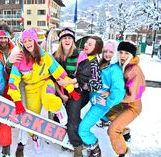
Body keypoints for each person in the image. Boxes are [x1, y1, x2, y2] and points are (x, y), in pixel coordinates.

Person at [7, 28, 80, 157]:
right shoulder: (19, 59)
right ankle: (35, 138)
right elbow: (13, 82)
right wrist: (17, 101)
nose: (28, 43)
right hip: (31, 89)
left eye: (30, 40)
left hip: (46, 83)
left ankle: (59, 109)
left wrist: (71, 89)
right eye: (25, 41)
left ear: (35, 41)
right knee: (30, 118)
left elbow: (58, 73)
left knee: (49, 100)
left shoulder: (45, 56)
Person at [78, 40, 126, 157]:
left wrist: (107, 101)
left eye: (111, 52)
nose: (107, 54)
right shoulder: (102, 64)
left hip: (101, 105)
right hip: (95, 102)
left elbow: (119, 92)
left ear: (115, 53)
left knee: (83, 130)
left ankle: (95, 149)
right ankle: (112, 123)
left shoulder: (115, 69)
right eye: (105, 51)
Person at [53, 28, 92, 157]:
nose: (67, 40)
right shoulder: (55, 56)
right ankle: (63, 139)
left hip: (76, 91)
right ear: (60, 41)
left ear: (73, 41)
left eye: (69, 38)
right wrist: (61, 94)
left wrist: (67, 84)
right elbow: (52, 78)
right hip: (60, 91)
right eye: (64, 38)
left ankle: (77, 147)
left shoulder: (80, 56)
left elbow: (84, 76)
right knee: (58, 117)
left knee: (72, 119)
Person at [108, 41, 146, 157]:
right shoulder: (123, 66)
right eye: (121, 52)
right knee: (104, 112)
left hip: (132, 106)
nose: (123, 56)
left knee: (112, 130)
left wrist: (112, 97)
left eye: (126, 53)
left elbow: (135, 94)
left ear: (131, 55)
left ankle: (123, 153)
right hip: (123, 103)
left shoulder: (134, 70)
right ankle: (124, 132)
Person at [0, 24, 22, 157]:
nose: (3, 40)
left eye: (5, 37)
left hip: (12, 86)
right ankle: (4, 145)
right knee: (2, 117)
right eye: (0, 38)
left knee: (9, 115)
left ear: (9, 37)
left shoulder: (16, 49)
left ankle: (6, 146)